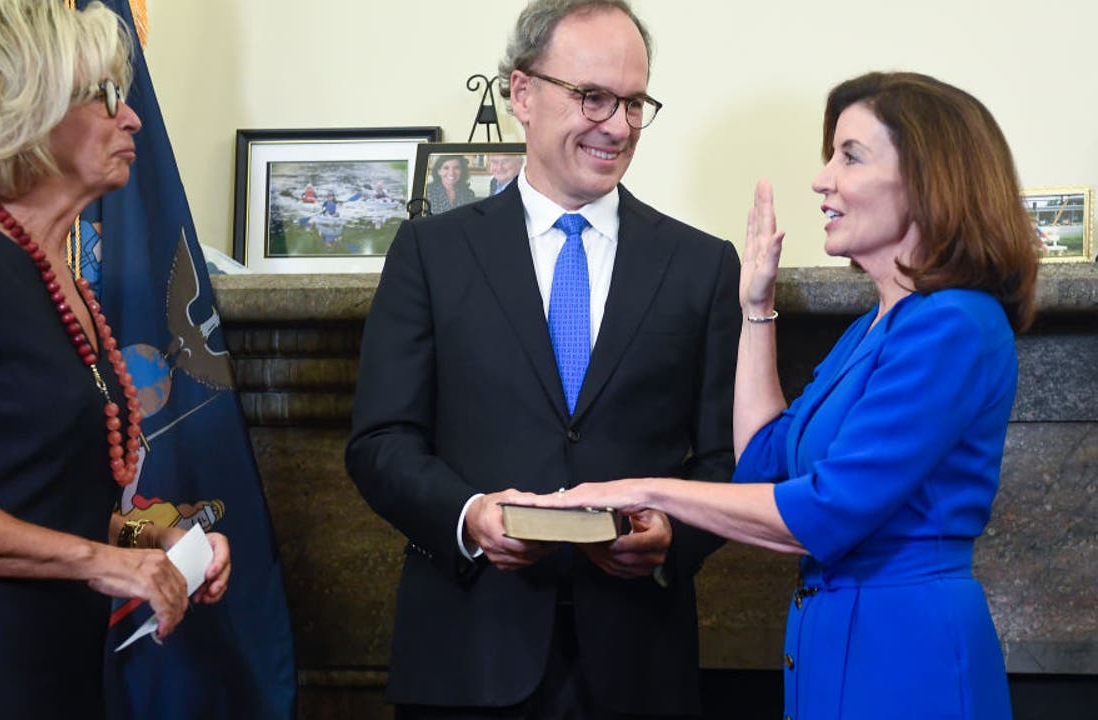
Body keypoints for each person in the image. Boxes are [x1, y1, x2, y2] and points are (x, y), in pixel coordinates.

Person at [536, 71, 1038, 720]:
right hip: (833, 649)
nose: (822, 179)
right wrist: (756, 307)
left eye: (850, 156)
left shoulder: (954, 325)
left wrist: (644, 489)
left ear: (928, 177)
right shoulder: (874, 327)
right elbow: (765, 461)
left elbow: (825, 512)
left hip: (908, 658)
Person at [346, 1, 740, 717]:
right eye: (593, 97)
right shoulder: (431, 255)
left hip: (640, 668)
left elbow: (725, 461)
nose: (617, 126)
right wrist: (470, 516)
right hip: (468, 655)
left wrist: (672, 536)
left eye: (633, 102)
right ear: (522, 94)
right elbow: (380, 442)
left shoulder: (701, 267)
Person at [0, 1, 232, 717]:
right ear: (22, 112)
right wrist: (105, 563)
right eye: (107, 97)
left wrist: (157, 539)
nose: (133, 118)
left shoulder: (57, 277)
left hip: (52, 675)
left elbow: (39, 494)